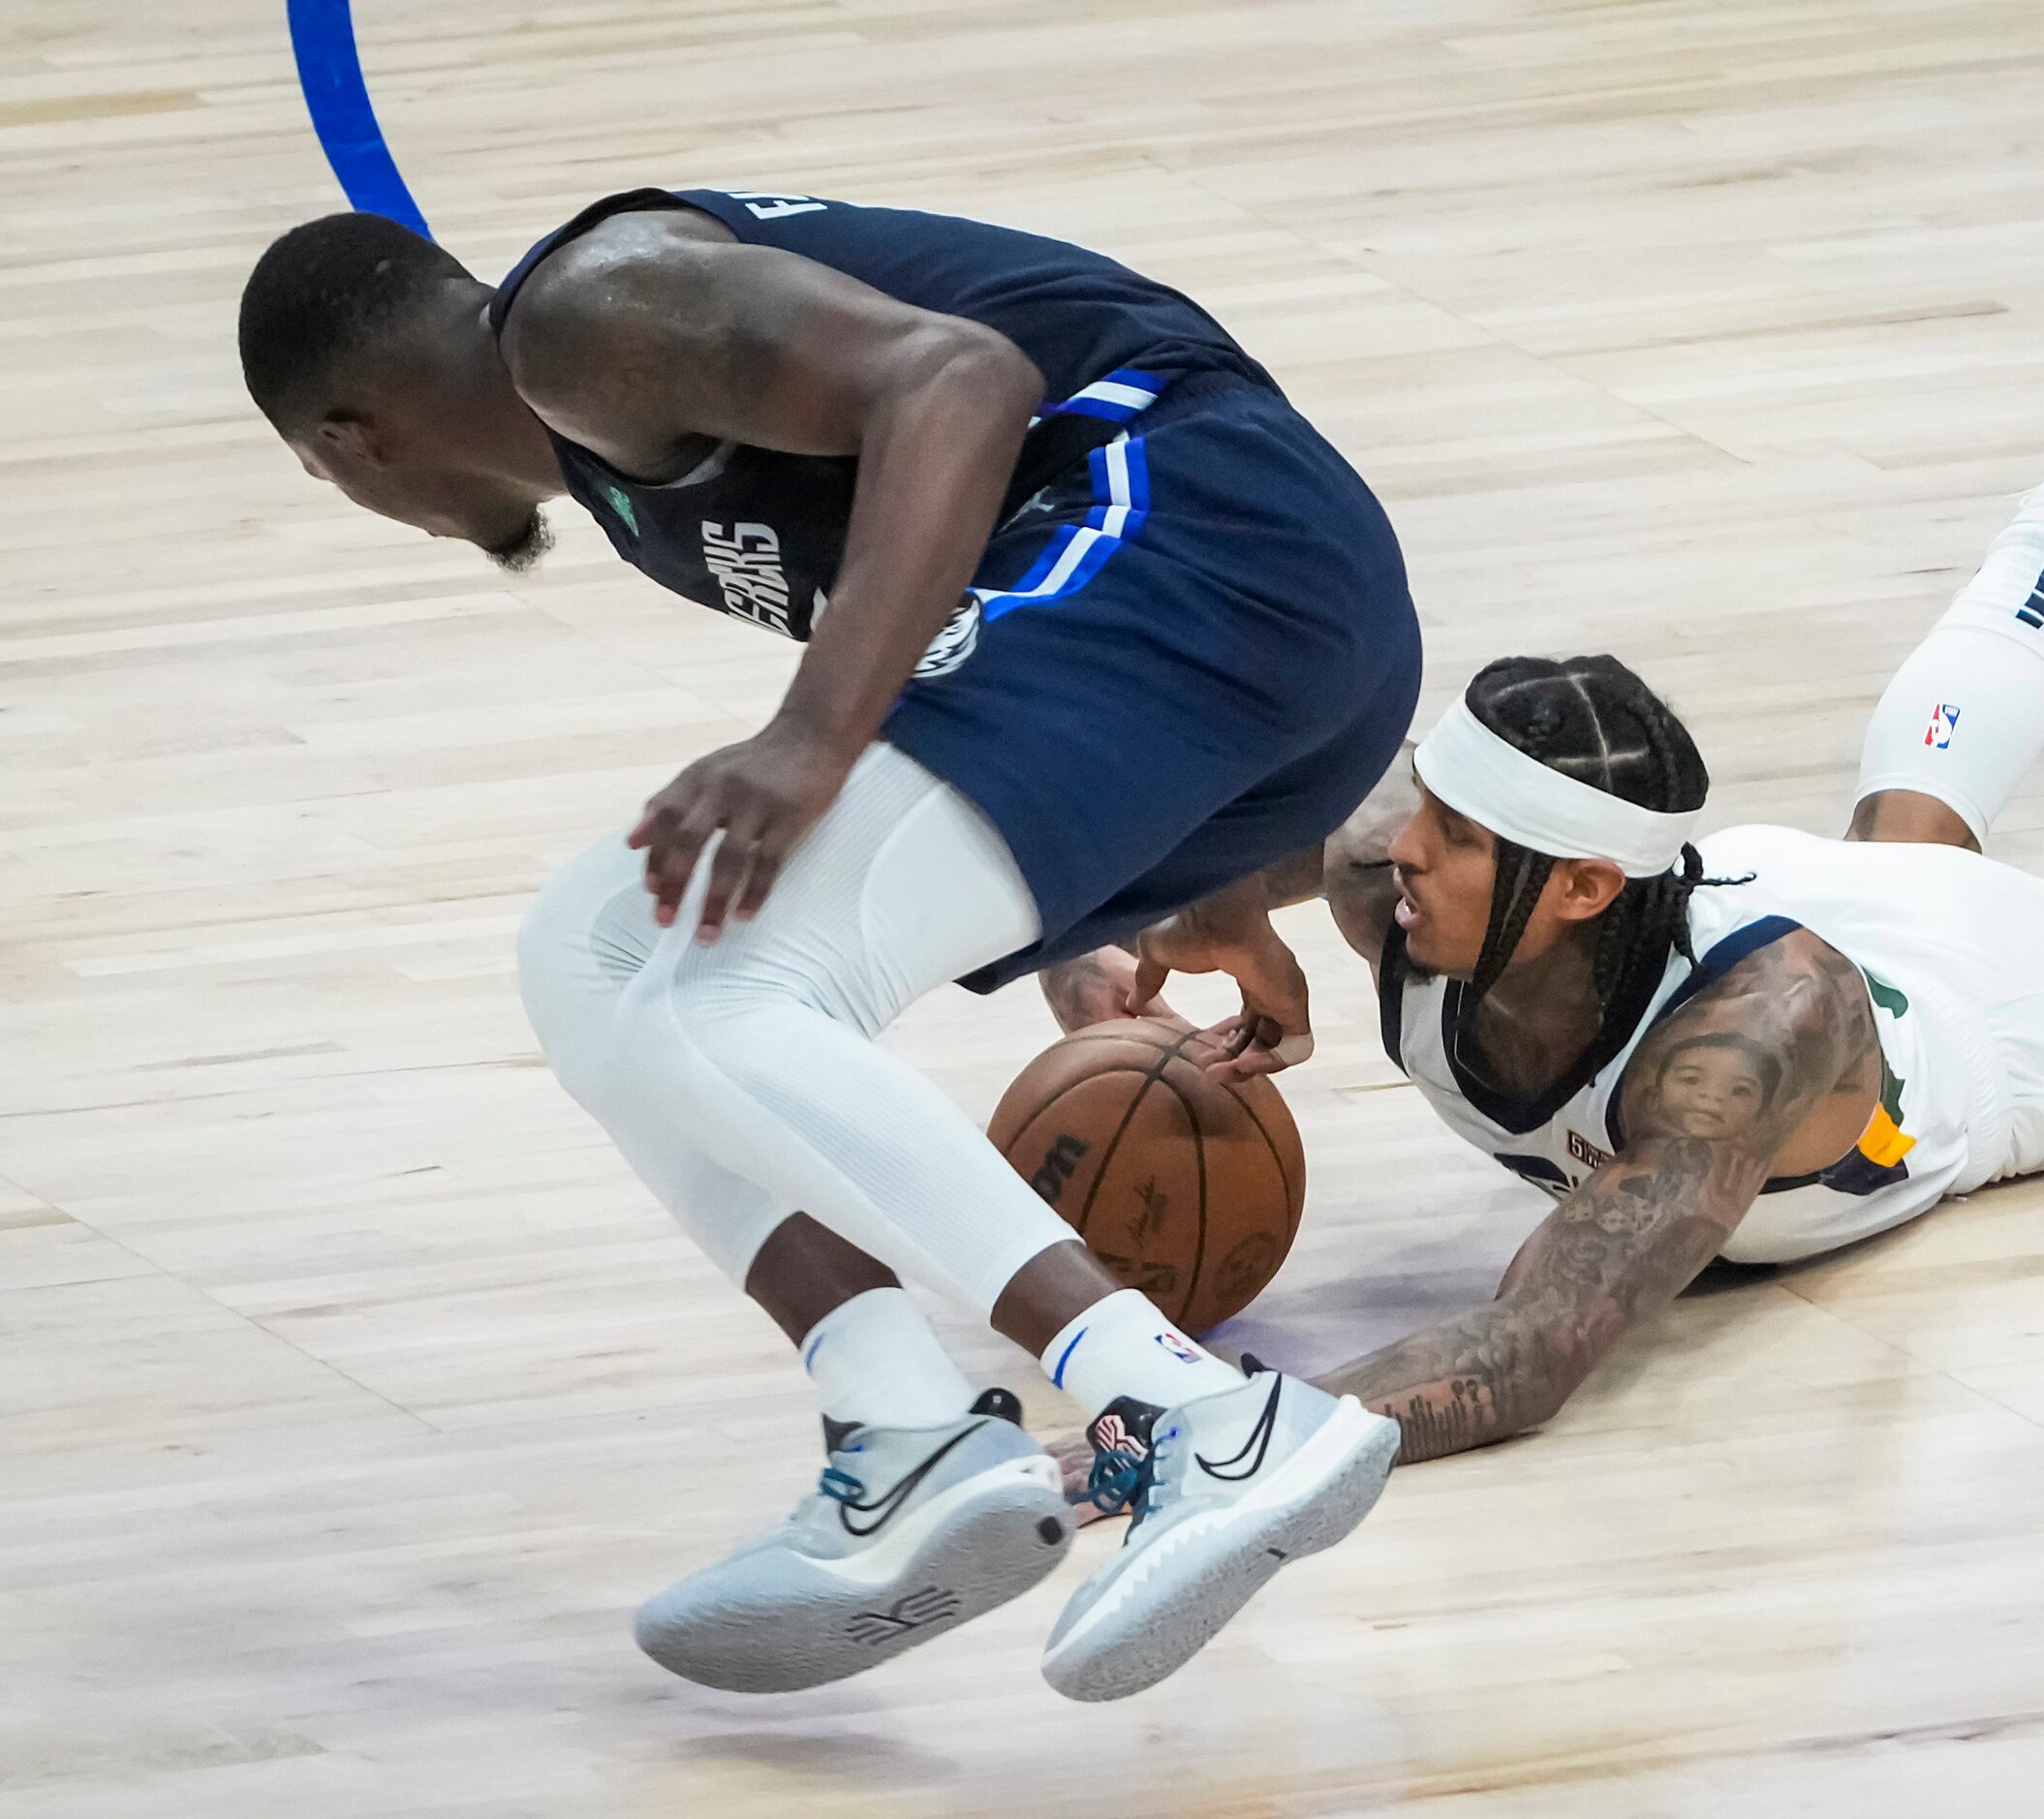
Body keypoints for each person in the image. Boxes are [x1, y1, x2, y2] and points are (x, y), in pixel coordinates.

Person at [1058, 111, 2044, 1469]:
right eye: (1425, 818)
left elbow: (1524, 1350)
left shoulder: (1740, 1052)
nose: (1405, 854)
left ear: (1582, 882)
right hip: (1782, 912)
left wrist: (1188, 1435)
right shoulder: (1401, 878)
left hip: (1979, 1017)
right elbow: (1160, 818)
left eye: (1454, 837)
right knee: (1903, 844)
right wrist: (1147, 933)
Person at [234, 183, 1418, 1701]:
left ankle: (1195, 1416)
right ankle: (899, 1422)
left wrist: (809, 732)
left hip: (1203, 541)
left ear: (346, 442)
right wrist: (1168, 888)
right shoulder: (609, 459)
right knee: (591, 954)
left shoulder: (585, 323)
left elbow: (962, 380)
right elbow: (951, 608)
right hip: (1230, 630)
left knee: (727, 995)